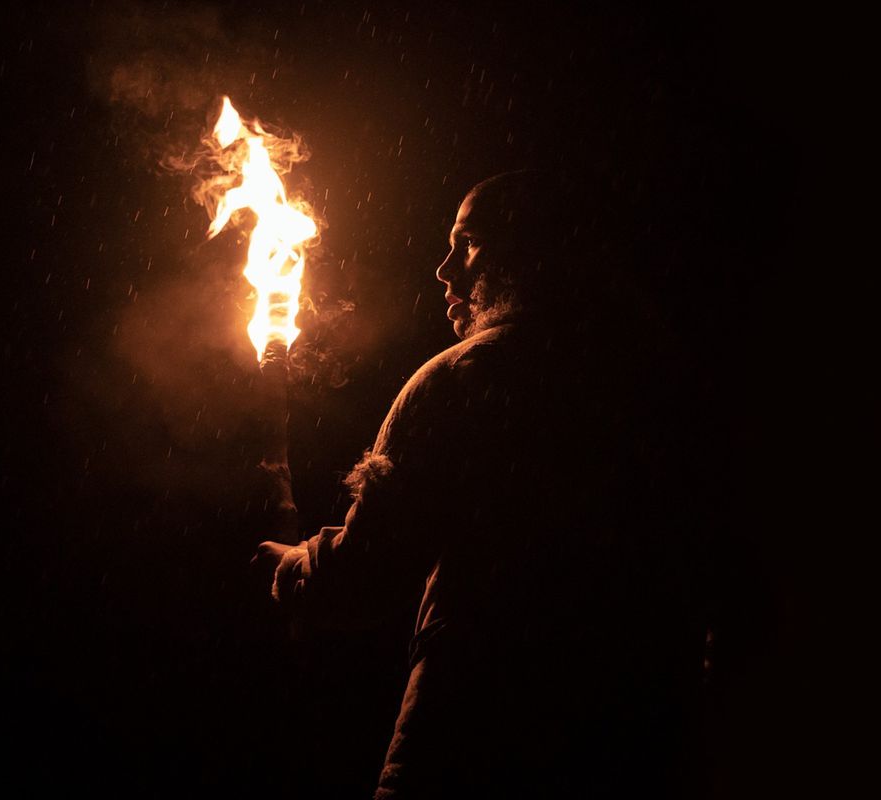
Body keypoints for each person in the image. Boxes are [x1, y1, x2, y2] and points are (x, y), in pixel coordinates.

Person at [253, 170, 698, 799]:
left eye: (467, 244)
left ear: (534, 251)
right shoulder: (656, 385)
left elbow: (370, 569)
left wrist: (295, 569)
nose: (444, 270)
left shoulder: (465, 378)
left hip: (473, 739)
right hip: (640, 744)